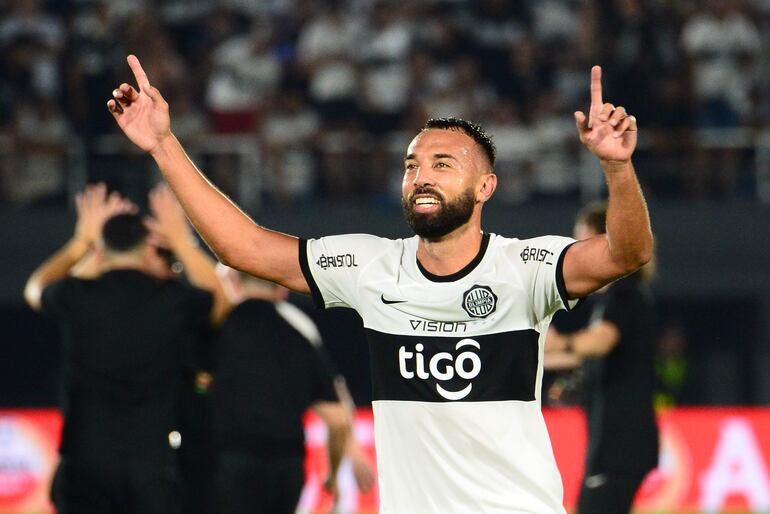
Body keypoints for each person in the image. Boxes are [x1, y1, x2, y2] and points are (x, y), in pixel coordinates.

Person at [107, 55, 652, 513]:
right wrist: (163, 145)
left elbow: (627, 254)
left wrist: (618, 170)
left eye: (443, 164)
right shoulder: (369, 268)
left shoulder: (525, 268)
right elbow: (243, 249)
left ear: (486, 186)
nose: (422, 176)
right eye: (412, 165)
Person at [24, 183, 227, 514]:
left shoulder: (78, 296)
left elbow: (36, 290)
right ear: (148, 248)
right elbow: (221, 301)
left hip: (84, 463)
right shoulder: (171, 300)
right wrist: (181, 240)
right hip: (149, 465)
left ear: (101, 252)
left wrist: (82, 242)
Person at [210, 265, 372, 514]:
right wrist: (337, 468)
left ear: (232, 280)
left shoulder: (217, 321)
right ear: (282, 288)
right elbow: (337, 417)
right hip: (286, 467)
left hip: (226, 460)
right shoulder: (297, 330)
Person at [544, 202, 659, 514]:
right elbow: (586, 357)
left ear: (602, 243)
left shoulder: (625, 294)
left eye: (579, 241)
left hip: (620, 445)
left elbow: (600, 343)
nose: (574, 252)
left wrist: (558, 343)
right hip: (618, 445)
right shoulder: (616, 299)